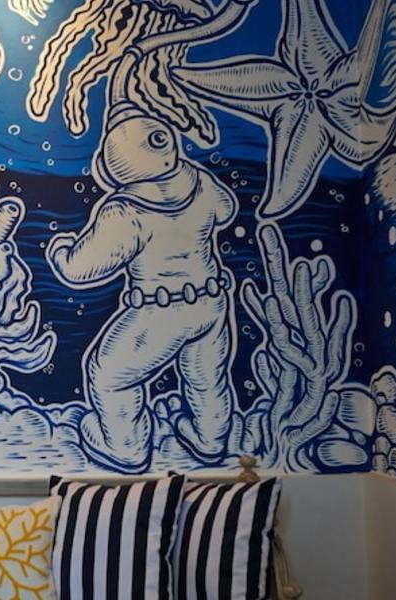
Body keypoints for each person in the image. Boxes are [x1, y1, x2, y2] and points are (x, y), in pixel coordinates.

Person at [47, 102, 238, 472]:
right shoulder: (199, 181)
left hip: (159, 312)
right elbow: (227, 209)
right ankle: (211, 439)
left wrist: (61, 253)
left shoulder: (126, 210)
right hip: (211, 304)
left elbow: (82, 269)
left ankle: (125, 447)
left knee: (109, 375)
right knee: (206, 378)